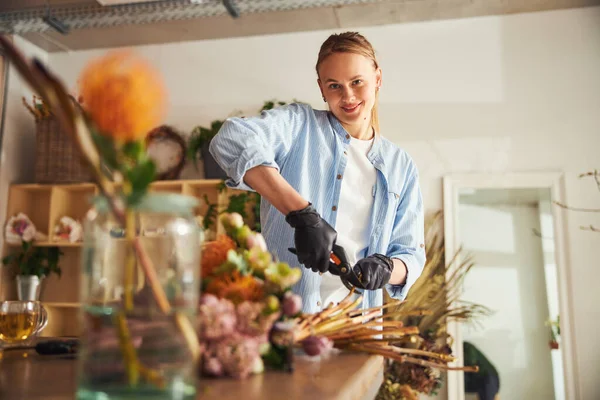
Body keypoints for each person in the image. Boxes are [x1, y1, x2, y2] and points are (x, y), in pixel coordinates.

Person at [210, 32, 426, 314]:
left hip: (359, 327)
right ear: (322, 89)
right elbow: (230, 139)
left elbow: (411, 255)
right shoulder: (299, 126)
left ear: (378, 79)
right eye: (334, 85)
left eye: (357, 82)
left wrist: (387, 268)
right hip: (290, 322)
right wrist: (301, 214)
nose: (347, 96)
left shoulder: (401, 166)